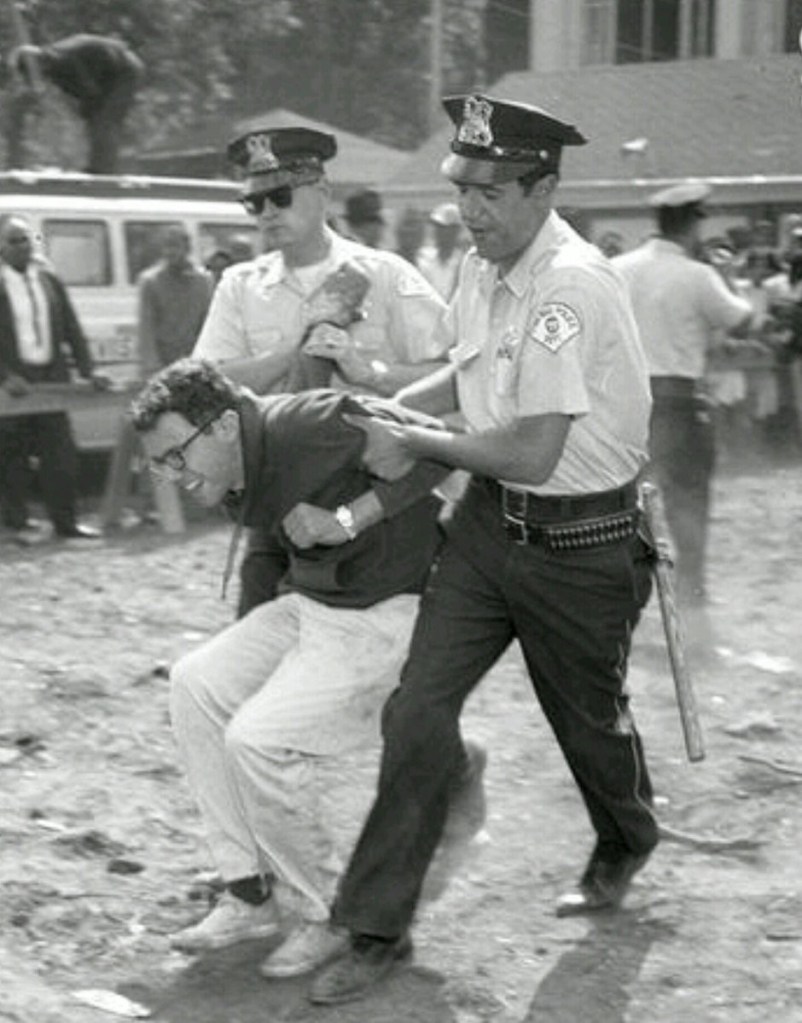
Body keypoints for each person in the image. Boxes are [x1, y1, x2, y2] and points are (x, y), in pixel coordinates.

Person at [309, 93, 660, 1005]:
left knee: (588, 723)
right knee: (416, 710)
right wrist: (390, 405)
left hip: (583, 541)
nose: (468, 209)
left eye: (490, 193)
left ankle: (625, 836)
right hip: (486, 529)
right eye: (461, 188)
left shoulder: (571, 286)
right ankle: (376, 925)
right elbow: (466, 378)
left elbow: (533, 449)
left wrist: (415, 440)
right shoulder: (479, 264)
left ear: (544, 189)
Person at [130, 358, 451, 978]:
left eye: (175, 455)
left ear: (225, 426)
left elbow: (440, 446)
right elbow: (267, 553)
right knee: (195, 683)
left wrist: (350, 518)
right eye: (159, 463)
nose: (171, 475)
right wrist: (253, 646)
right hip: (316, 605)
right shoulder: (232, 463)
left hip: (388, 609)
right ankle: (249, 891)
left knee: (257, 739)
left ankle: (323, 913)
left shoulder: (313, 421)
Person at [192, 123, 450, 614]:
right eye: (254, 203)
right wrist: (292, 350)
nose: (268, 212)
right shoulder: (240, 285)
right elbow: (208, 384)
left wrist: (369, 371)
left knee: (374, 639)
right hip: (276, 497)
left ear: (323, 192)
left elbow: (452, 374)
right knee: (256, 629)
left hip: (369, 498)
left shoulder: (385, 275)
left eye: (281, 196)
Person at [613, 182, 753, 612]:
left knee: (621, 503)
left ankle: (621, 592)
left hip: (626, 403)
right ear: (692, 223)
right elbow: (742, 321)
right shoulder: (697, 275)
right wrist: (726, 275)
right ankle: (691, 596)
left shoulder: (617, 268)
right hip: (678, 400)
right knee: (687, 501)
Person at [0, 215, 109, 544]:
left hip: (51, 378)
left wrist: (89, 370)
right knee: (12, 458)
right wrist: (6, 376)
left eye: (26, 239)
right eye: (14, 240)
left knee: (61, 453)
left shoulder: (49, 279)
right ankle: (17, 525)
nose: (23, 246)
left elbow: (72, 329)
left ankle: (66, 524)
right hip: (14, 383)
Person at [8, 34, 144, 174]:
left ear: (38, 65)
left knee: (104, 120)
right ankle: (98, 165)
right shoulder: (53, 63)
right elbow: (82, 93)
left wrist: (88, 112)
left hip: (125, 71)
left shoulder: (64, 61)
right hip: (107, 75)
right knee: (96, 119)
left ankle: (103, 169)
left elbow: (90, 93)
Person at [137, 226, 212, 377]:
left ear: (187, 249)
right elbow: (147, 325)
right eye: (167, 247)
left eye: (175, 246)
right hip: (163, 360)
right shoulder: (151, 281)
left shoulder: (202, 280)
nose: (170, 252)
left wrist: (207, 358)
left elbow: (208, 321)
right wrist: (151, 365)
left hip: (195, 357)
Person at [416, 201, 463, 300]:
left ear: (456, 230)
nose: (440, 232)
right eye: (438, 227)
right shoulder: (423, 258)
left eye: (445, 228)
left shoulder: (464, 262)